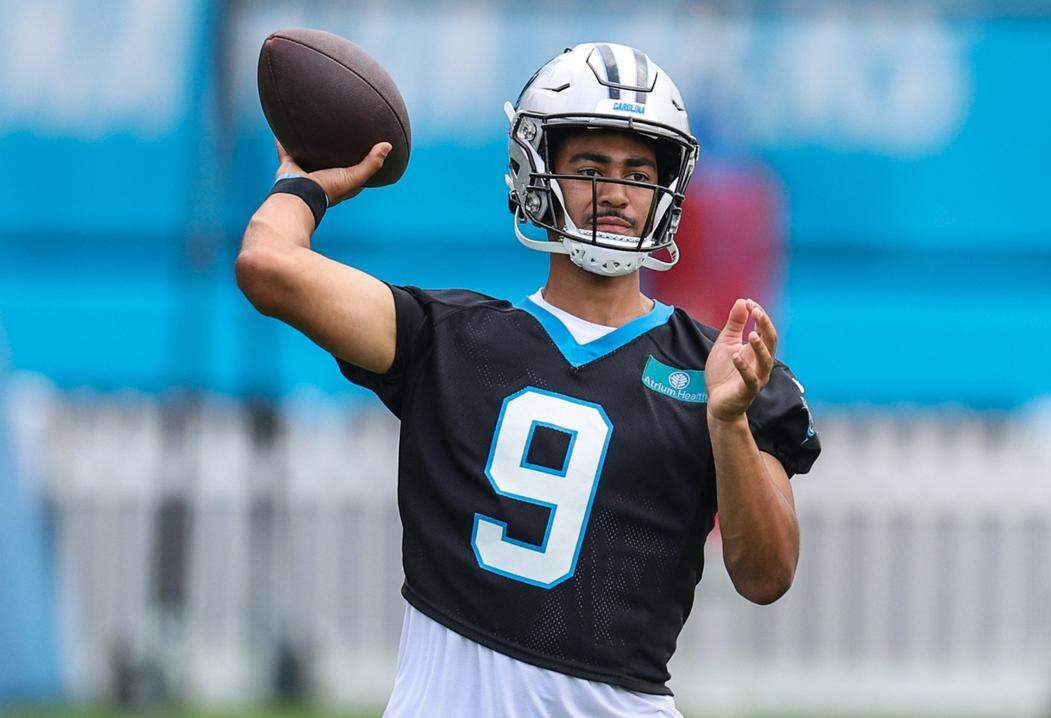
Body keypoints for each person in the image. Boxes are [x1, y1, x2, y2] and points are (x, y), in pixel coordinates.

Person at [237, 42, 820, 717]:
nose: (617, 193)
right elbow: (268, 265)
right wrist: (306, 181)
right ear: (536, 169)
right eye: (591, 167)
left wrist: (729, 423)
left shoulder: (718, 368)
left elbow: (766, 575)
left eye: (637, 171)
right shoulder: (449, 339)